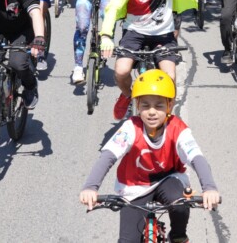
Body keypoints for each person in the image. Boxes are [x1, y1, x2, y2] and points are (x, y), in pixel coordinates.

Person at [79, 69, 220, 243]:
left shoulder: (177, 128)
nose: (151, 112)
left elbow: (197, 158)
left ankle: (177, 236)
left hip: (167, 179)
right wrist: (91, 187)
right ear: (137, 106)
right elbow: (108, 156)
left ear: (169, 106)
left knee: (181, 204)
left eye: (159, 105)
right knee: (127, 240)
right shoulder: (131, 127)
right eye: (145, 105)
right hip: (134, 186)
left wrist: (210, 188)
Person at [99, 0, 195, 120]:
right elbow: (115, 5)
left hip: (163, 34)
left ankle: (167, 118)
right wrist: (106, 35)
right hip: (135, 32)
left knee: (170, 77)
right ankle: (127, 95)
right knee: (121, 71)